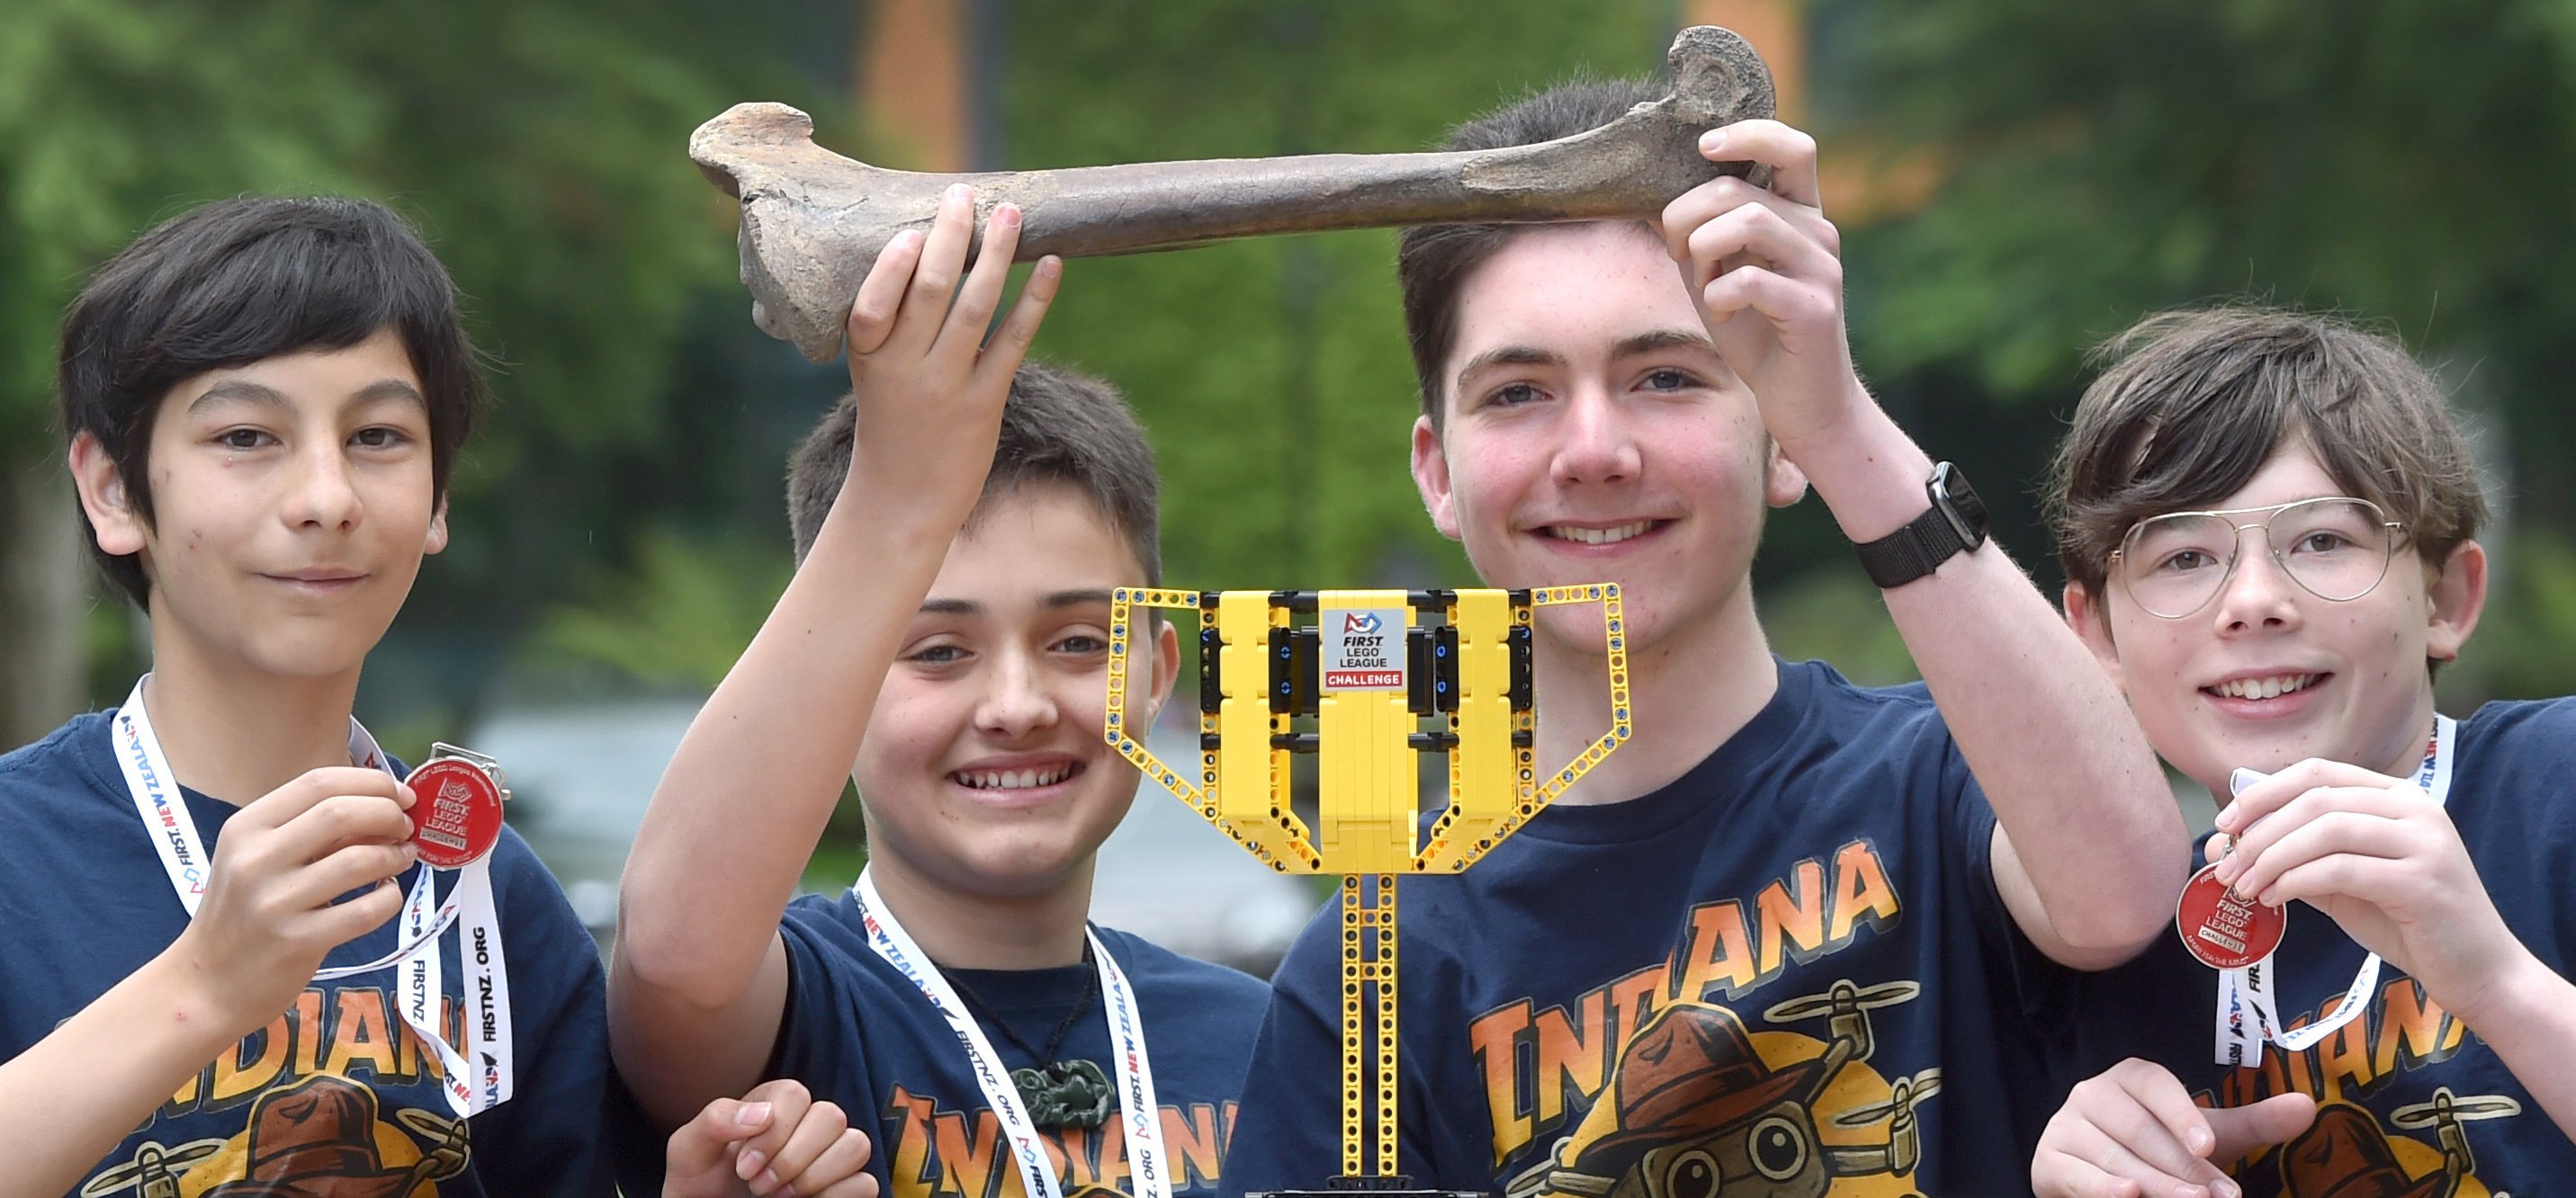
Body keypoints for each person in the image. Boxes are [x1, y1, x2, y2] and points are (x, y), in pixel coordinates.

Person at [1218, 79, 2187, 1197]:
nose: (1593, 450)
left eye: (1665, 377)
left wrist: (1835, 421)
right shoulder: (1370, 984)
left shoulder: (1945, 778)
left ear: (1779, 441)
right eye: (1520, 392)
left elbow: (2127, 889)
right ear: (1440, 474)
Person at [0, 193, 875, 1198]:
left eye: (377, 437)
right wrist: (203, 987)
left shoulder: (490, 891)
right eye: (246, 437)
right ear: (113, 490)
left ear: (438, 497)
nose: (326, 498)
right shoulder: (16, 857)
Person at [610, 186, 1269, 1198]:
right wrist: (896, 496)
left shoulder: (1267, 1040)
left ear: (1159, 675)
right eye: (937, 652)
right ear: (836, 691)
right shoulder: (792, 1021)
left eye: (1079, 641)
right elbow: (668, 957)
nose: (1015, 705)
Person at [2028, 307, 2576, 1197]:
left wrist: (2498, 982)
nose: (2250, 601)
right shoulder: (2091, 922)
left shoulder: (2558, 784)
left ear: (2443, 596)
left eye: (2322, 541)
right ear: (2096, 636)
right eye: (2181, 556)